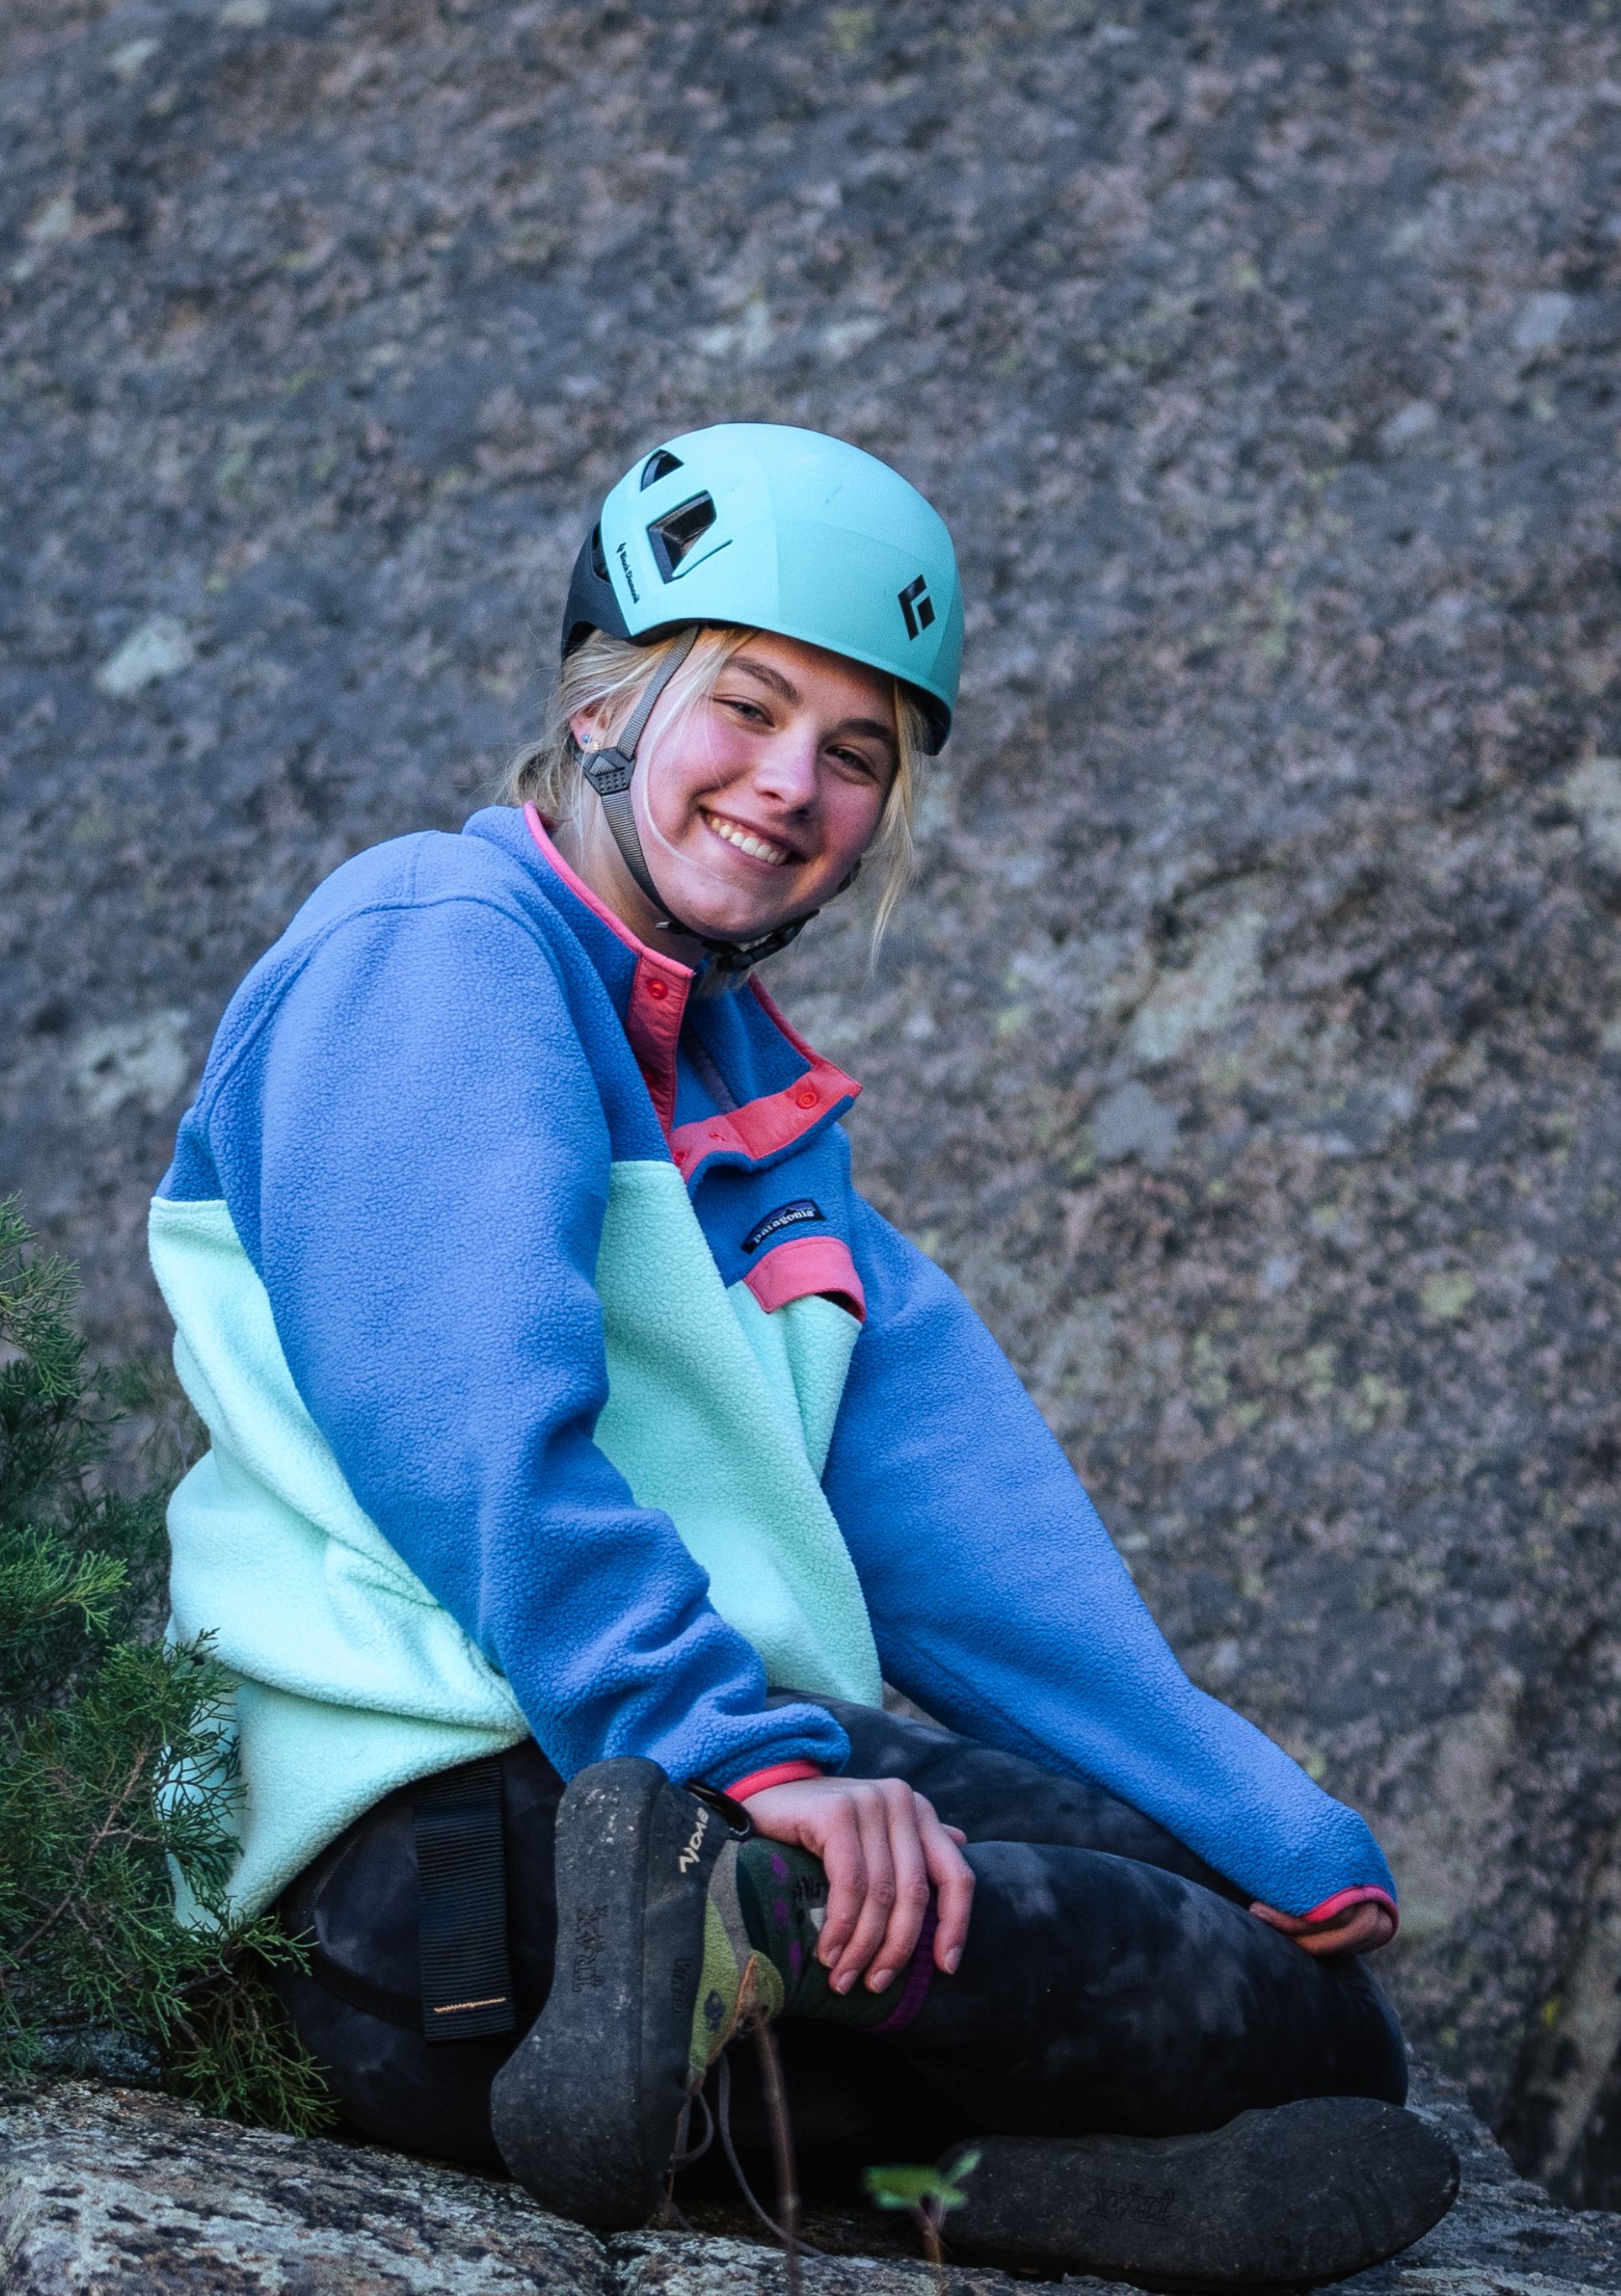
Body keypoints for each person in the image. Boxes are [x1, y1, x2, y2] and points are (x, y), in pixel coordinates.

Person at [144, 423, 1457, 2286]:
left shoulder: (752, 1105)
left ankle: (947, 2153)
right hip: (397, 1881)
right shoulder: (435, 951)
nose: (791, 786)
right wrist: (731, 1756)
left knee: (1304, 2006)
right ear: (604, 705)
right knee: (1224, 2017)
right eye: (743, 708)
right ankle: (737, 1947)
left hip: (621, 1828)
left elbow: (958, 1531)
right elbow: (468, 1439)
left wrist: (1249, 1820)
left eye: (855, 754)